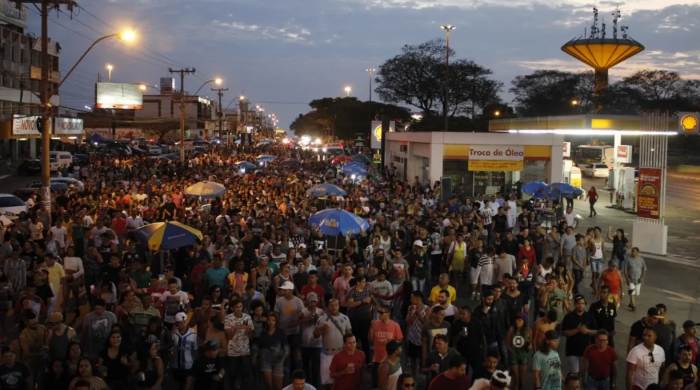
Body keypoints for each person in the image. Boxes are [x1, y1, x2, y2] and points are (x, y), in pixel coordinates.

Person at [562, 295, 597, 374]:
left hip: (585, 351)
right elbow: (564, 333)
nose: (580, 305)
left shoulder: (589, 317)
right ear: (575, 304)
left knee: (583, 373)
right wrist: (577, 330)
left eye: (582, 303)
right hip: (572, 351)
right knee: (574, 373)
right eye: (578, 303)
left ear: (585, 305)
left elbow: (596, 332)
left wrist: (587, 331)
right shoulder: (569, 317)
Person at [260, 312, 289, 390]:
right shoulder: (263, 333)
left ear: (276, 322)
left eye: (273, 320)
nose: (271, 322)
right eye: (269, 320)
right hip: (266, 359)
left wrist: (282, 360)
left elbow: (286, 349)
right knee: (269, 386)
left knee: (278, 387)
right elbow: (260, 347)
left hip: (279, 359)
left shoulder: (281, 332)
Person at [170, 312, 197, 390]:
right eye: (178, 323)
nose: (180, 325)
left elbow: (195, 350)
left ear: (185, 322)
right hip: (175, 366)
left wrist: (195, 364)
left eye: (182, 323)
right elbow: (171, 347)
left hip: (189, 366)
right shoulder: (174, 333)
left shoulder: (193, 333)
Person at [506, 313, 531, 390]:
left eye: (520, 320)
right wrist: (511, 352)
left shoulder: (528, 330)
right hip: (514, 357)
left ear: (524, 321)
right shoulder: (512, 329)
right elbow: (507, 343)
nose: (517, 322)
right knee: (516, 380)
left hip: (523, 356)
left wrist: (529, 346)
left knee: (522, 381)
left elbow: (530, 343)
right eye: (516, 320)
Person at [624, 247, 647, 311]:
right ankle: (634, 306)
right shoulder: (628, 259)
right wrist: (627, 279)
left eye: (634, 251)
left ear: (637, 252)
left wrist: (642, 278)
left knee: (636, 293)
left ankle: (630, 303)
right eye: (632, 251)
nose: (633, 253)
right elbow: (625, 270)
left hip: (638, 280)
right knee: (632, 292)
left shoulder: (641, 260)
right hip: (631, 279)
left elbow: (644, 269)